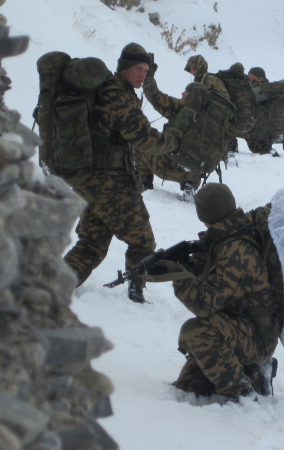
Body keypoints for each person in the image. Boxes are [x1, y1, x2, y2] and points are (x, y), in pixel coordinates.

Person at [62, 42, 179, 303]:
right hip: (110, 183)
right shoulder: (118, 95)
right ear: (124, 67)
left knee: (92, 243)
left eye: (146, 71)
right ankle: (135, 294)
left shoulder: (107, 90)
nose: (142, 75)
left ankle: (53, 284)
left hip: (89, 181)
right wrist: (172, 143)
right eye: (138, 69)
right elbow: (143, 138)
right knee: (142, 241)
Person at [147, 183, 283, 402]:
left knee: (196, 332)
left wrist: (178, 277)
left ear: (203, 215)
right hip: (240, 324)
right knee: (190, 387)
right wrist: (188, 264)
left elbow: (205, 304)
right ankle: (256, 371)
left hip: (257, 335)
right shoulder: (231, 231)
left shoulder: (235, 250)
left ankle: (243, 392)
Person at [140, 70, 208, 200]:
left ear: (192, 96)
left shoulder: (181, 108)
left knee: (142, 141)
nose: (182, 93)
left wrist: (148, 77)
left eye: (186, 92)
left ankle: (145, 181)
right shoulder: (210, 119)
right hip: (191, 173)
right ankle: (190, 186)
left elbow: (154, 96)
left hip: (164, 166)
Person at [246, 66, 278, 156]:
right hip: (264, 131)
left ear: (257, 77)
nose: (248, 77)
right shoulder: (268, 87)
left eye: (251, 75)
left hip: (256, 128)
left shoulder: (257, 88)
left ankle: (231, 147)